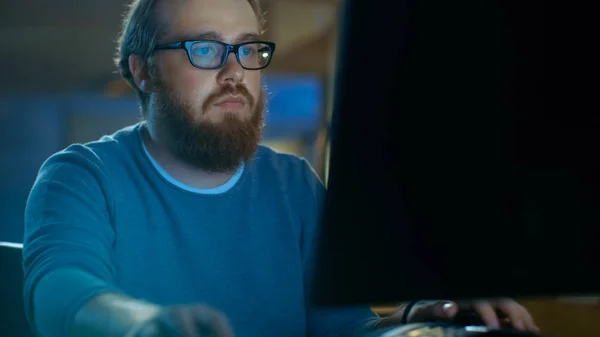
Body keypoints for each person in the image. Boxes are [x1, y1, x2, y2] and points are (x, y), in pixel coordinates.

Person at [22, 0, 539, 336]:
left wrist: (417, 322)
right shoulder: (81, 177)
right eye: (205, 49)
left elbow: (343, 329)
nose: (234, 73)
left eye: (248, 49)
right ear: (144, 72)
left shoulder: (294, 185)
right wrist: (144, 326)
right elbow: (62, 299)